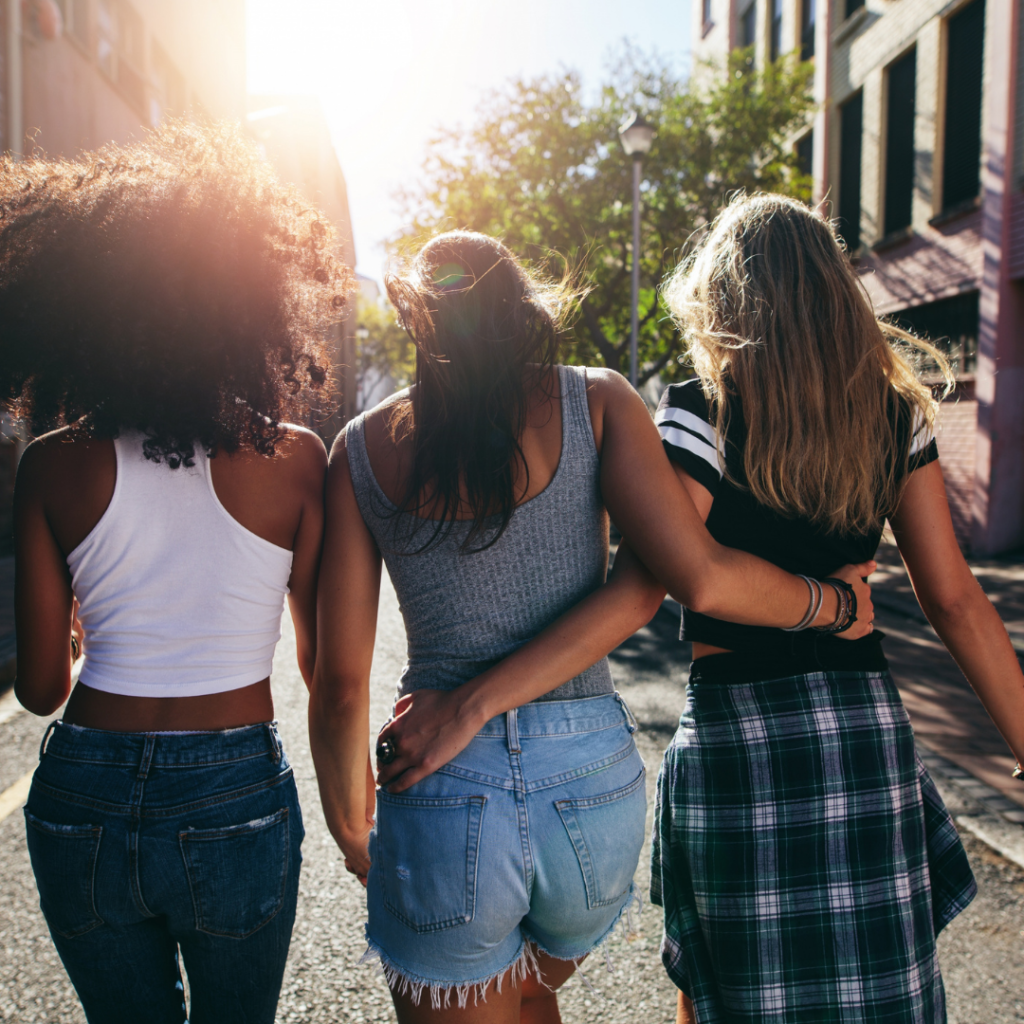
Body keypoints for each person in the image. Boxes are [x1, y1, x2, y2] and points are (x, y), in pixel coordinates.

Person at [309, 230, 875, 1024]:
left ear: (415, 320)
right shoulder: (598, 398)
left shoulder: (359, 452)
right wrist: (834, 604)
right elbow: (646, 589)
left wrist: (352, 829)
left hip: (444, 790)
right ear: (519, 303)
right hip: (590, 791)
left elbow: (338, 684)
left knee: (480, 987)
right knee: (530, 993)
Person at [648, 193, 1024, 1023]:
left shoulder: (700, 408)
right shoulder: (893, 415)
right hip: (861, 740)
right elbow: (956, 599)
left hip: (739, 742)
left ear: (724, 298)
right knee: (880, 996)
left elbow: (692, 573)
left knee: (724, 991)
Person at [7, 122, 344, 1024]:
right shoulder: (300, 460)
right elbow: (321, 670)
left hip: (80, 788)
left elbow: (40, 691)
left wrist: (83, 631)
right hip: (234, 790)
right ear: (250, 303)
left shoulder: (50, 465)